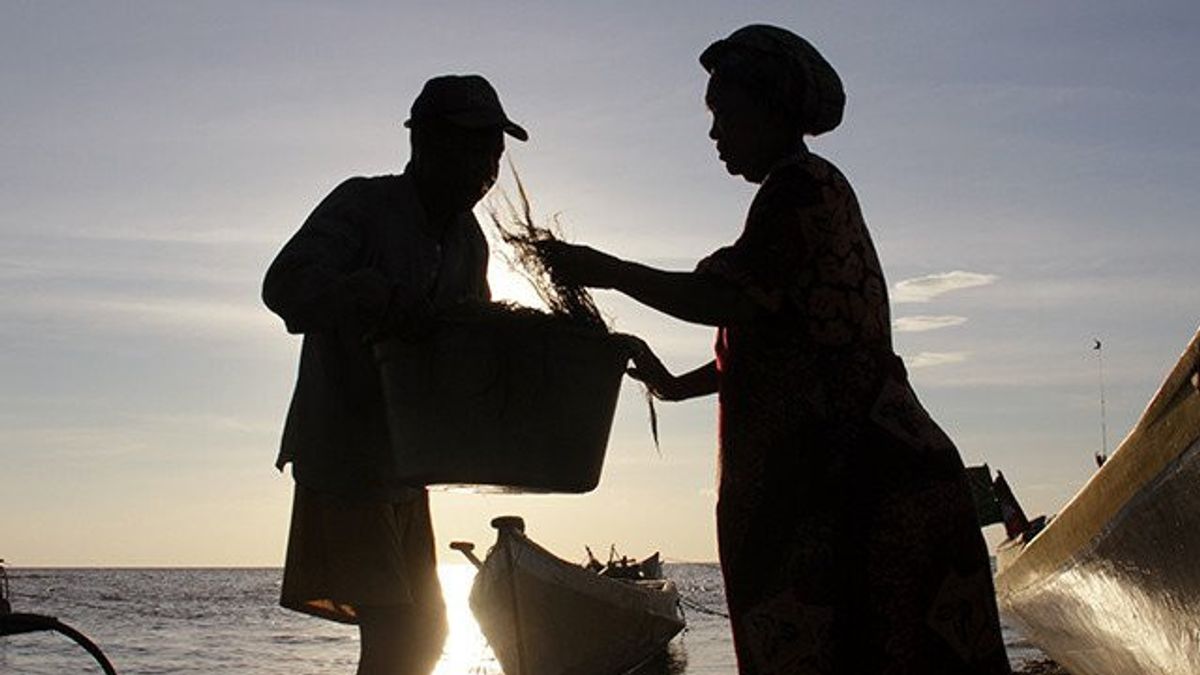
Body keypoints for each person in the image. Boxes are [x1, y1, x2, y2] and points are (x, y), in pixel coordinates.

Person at [538, 25, 1012, 674]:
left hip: (859, 499)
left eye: (724, 114)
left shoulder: (801, 191)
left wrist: (609, 268)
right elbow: (786, 338)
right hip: (863, 488)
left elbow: (725, 297)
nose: (715, 134)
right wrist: (675, 385)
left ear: (772, 110)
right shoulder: (806, 191)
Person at [262, 74, 526, 675]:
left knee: (423, 634)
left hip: (408, 467)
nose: (487, 167)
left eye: (495, 153)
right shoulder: (362, 205)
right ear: (425, 144)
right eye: (474, 148)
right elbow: (285, 286)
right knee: (401, 635)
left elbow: (472, 337)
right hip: (345, 458)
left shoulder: (467, 238)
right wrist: (356, 292)